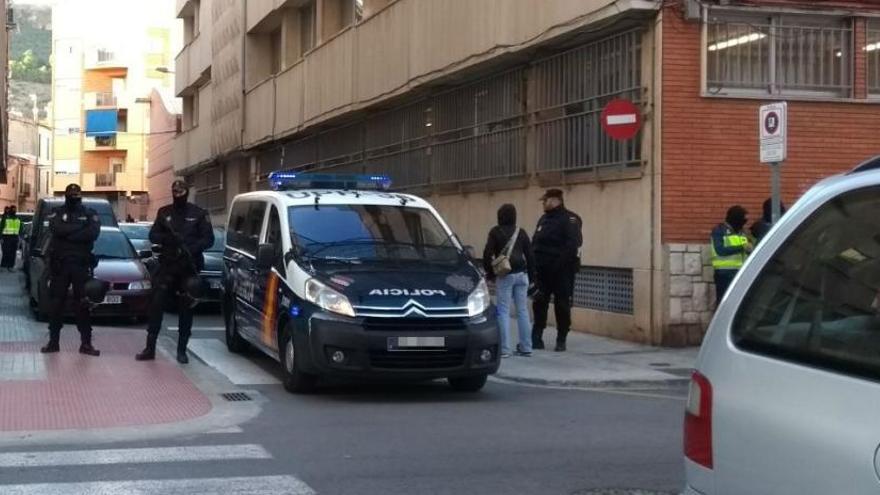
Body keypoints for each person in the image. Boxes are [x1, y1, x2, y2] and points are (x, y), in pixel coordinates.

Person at [136, 180, 214, 363]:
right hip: (167, 266)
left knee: (186, 309)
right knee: (156, 305)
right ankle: (150, 348)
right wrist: (169, 240)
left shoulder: (199, 214)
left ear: (187, 192)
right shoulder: (164, 212)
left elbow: (208, 239)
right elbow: (153, 235)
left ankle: (181, 350)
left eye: (181, 191)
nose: (178, 193)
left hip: (188, 266)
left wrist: (191, 248)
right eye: (175, 190)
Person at [40, 184, 102, 356]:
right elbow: (56, 228)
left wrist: (68, 234)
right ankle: (53, 342)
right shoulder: (57, 212)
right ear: (66, 195)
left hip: (81, 265)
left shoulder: (90, 213)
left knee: (83, 303)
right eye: (71, 194)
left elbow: (93, 234)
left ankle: (86, 343)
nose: (74, 197)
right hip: (60, 265)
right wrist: (79, 229)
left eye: (77, 194)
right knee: (56, 303)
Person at [531, 189, 583, 352]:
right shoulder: (543, 219)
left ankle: (561, 339)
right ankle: (536, 337)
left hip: (562, 272)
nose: (543, 204)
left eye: (545, 201)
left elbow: (572, 246)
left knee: (562, 305)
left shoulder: (570, 219)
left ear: (555, 201)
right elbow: (535, 243)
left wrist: (557, 266)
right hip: (542, 271)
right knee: (539, 304)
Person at [483, 204, 536, 358]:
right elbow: (530, 256)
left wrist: (491, 274)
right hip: (522, 275)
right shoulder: (521, 232)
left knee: (503, 311)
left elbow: (487, 254)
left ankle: (505, 349)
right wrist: (532, 278)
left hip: (505, 275)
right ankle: (526, 347)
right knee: (523, 311)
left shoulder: (495, 232)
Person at [711, 205, 753, 305]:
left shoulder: (742, 232)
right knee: (723, 302)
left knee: (739, 303)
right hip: (724, 273)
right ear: (735, 218)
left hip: (740, 273)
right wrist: (742, 247)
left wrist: (750, 249)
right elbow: (720, 250)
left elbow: (746, 249)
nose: (744, 223)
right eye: (742, 219)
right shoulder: (719, 231)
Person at [1, 205, 22, 271]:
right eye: (13, 209)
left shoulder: (16, 218)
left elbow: (21, 228)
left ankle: (8, 265)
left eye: (15, 209)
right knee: (8, 252)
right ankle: (7, 265)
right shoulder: (8, 218)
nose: (14, 211)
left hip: (11, 238)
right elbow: (1, 227)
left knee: (11, 252)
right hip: (8, 237)